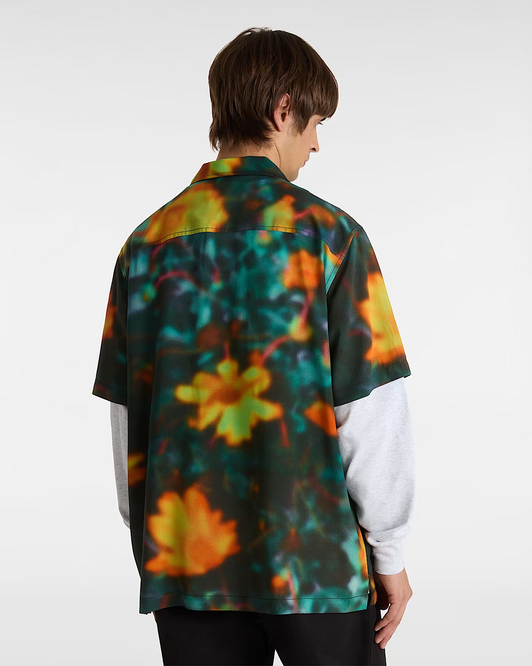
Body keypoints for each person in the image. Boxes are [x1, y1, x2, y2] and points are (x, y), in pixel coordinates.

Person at [93, 26, 415, 666]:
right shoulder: (331, 238)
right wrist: (390, 554)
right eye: (315, 123)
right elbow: (370, 410)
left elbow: (128, 416)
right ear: (283, 109)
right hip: (314, 567)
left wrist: (154, 536)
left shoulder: (145, 247)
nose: (316, 143)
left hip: (188, 560)